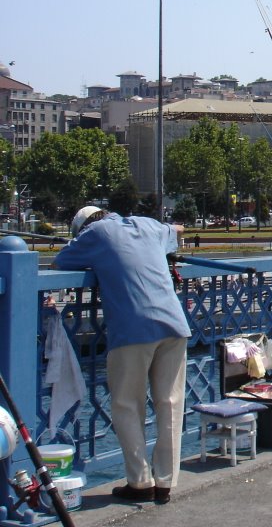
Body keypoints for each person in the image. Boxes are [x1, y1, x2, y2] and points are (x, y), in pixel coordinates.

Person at [53, 206, 188, 505]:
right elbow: (177, 230)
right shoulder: (149, 225)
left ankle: (140, 482)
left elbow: (61, 261)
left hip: (131, 327)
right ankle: (165, 482)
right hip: (174, 324)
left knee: (128, 404)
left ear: (85, 226)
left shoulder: (95, 234)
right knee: (170, 403)